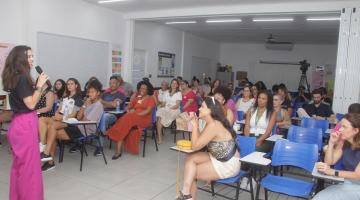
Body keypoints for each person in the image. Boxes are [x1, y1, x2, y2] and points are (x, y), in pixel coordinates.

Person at [2, 45, 49, 200]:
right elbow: (30, 104)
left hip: (18, 123)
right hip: (25, 124)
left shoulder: (14, 76)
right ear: (20, 59)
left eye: (32, 56)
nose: (32, 59)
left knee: (20, 167)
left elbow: (23, 101)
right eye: (28, 56)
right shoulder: (22, 77)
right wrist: (40, 86)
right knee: (30, 169)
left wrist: (37, 86)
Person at [176, 97, 240, 200]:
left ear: (210, 110)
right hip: (217, 157)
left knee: (191, 173)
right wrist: (195, 125)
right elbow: (199, 142)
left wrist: (195, 126)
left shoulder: (214, 125)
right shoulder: (211, 123)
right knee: (190, 159)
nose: (199, 108)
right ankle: (187, 194)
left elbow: (195, 146)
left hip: (228, 164)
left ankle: (186, 194)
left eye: (202, 107)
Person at [41, 80, 104, 171]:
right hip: (78, 125)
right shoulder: (89, 103)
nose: (90, 94)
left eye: (92, 92)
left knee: (51, 132)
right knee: (51, 129)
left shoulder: (98, 105)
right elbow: (79, 117)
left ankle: (48, 159)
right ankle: (48, 158)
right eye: (89, 92)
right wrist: (84, 106)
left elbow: (85, 120)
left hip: (84, 130)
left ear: (98, 93)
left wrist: (83, 110)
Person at [313, 113, 360, 200]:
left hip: (357, 187)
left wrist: (331, 171)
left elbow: (357, 175)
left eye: (344, 127)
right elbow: (330, 162)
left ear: (355, 130)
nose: (340, 129)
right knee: (319, 197)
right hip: (348, 183)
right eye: (341, 126)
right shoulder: (345, 142)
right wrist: (331, 142)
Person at [107, 80, 156, 160]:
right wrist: (128, 110)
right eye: (140, 89)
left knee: (125, 120)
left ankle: (112, 132)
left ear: (148, 90)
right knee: (124, 125)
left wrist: (134, 114)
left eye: (144, 89)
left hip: (144, 119)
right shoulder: (138, 98)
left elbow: (147, 111)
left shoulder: (150, 99)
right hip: (132, 118)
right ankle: (118, 150)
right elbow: (128, 107)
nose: (142, 90)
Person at [40, 78, 83, 162]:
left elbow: (72, 115)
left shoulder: (78, 99)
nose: (69, 86)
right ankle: (43, 145)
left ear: (76, 86)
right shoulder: (65, 97)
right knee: (42, 119)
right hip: (60, 119)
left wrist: (58, 117)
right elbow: (58, 110)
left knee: (51, 128)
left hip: (70, 122)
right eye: (68, 84)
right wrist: (55, 115)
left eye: (71, 84)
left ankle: (47, 154)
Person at [97, 76, 126, 156]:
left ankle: (100, 146)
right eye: (110, 83)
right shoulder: (105, 93)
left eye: (113, 83)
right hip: (102, 112)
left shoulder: (120, 94)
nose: (111, 85)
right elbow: (99, 105)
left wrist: (103, 102)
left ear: (118, 84)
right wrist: (107, 104)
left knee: (103, 118)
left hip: (114, 116)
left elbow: (114, 105)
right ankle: (99, 134)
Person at [156, 79, 182, 144]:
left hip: (175, 110)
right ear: (170, 84)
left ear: (177, 85)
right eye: (172, 83)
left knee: (162, 115)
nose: (173, 84)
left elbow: (177, 105)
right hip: (166, 108)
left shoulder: (178, 93)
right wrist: (160, 106)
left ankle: (161, 132)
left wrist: (169, 108)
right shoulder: (167, 92)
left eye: (175, 83)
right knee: (159, 116)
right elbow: (163, 103)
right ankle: (159, 137)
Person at [35, 80, 55, 153]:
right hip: (37, 115)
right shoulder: (38, 93)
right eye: (39, 81)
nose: (40, 83)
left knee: (38, 121)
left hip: (46, 116)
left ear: (47, 83)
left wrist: (35, 112)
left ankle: (42, 144)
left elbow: (48, 108)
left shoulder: (49, 92)